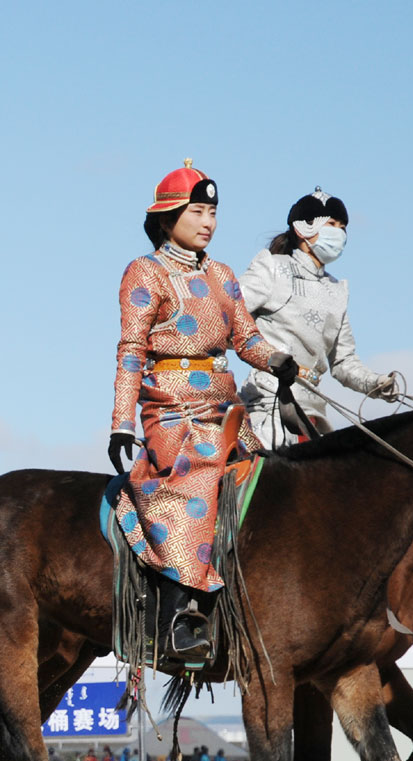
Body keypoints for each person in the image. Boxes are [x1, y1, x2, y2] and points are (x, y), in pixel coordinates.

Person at [108, 160, 298, 660]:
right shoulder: (145, 272)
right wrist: (121, 423)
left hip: (225, 403)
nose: (208, 221)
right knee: (196, 483)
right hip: (172, 408)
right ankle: (178, 617)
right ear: (168, 217)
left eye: (213, 211)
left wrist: (276, 360)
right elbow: (131, 349)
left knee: (272, 474)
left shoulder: (223, 274)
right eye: (197, 211)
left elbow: (247, 339)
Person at [239, 187, 399, 447]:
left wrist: (376, 384)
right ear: (304, 228)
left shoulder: (337, 291)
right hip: (269, 402)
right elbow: (229, 312)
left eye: (343, 226)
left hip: (313, 410)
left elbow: (344, 362)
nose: (340, 232)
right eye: (332, 224)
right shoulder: (272, 268)